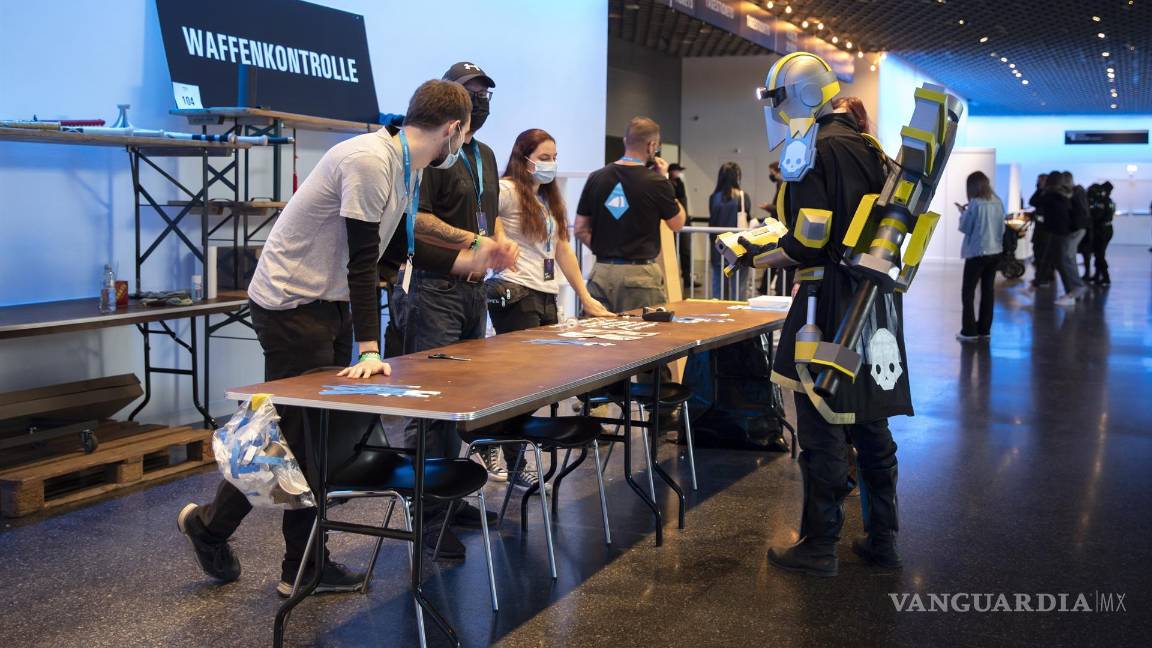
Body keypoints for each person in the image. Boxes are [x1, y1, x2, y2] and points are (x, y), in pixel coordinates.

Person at [176, 80, 518, 596]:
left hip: (328, 301)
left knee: (311, 435)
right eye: (465, 131)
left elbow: (394, 250)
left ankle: (231, 535)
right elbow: (362, 263)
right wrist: (370, 348)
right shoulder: (369, 161)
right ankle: (287, 560)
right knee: (303, 436)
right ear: (454, 128)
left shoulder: (406, 165)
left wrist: (470, 259)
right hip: (291, 304)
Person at [737, 52, 929, 577]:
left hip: (825, 302)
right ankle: (883, 539)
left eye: (778, 99)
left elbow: (808, 241)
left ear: (797, 95)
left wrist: (756, 255)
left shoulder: (811, 148)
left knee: (821, 422)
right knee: (870, 420)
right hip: (874, 300)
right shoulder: (870, 147)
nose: (777, 110)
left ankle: (820, 545)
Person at [390, 61, 506, 560]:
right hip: (432, 287)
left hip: (473, 292)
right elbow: (416, 217)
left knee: (459, 402)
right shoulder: (435, 153)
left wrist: (496, 247)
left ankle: (447, 499)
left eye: (485, 92)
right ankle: (426, 516)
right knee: (431, 405)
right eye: (470, 91)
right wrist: (474, 243)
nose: (479, 100)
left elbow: (488, 217)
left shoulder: (485, 154)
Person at [483, 128, 614, 487]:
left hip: (543, 294)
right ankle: (503, 452)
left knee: (531, 383)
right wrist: (499, 241)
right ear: (523, 157)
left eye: (554, 157)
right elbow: (483, 214)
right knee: (516, 382)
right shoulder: (507, 189)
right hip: (514, 291)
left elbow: (562, 249)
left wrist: (585, 297)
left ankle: (499, 443)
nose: (550, 164)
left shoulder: (546, 199)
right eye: (543, 157)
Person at [575, 116, 686, 313]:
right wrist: (666, 180)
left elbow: (580, 229)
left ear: (625, 141)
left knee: (597, 331)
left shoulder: (596, 178)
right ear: (651, 146)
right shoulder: (657, 183)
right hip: (640, 276)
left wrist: (606, 249)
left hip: (601, 272)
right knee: (644, 331)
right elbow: (677, 223)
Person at [955, 171, 1006, 342]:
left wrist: (962, 213)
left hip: (977, 253)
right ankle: (984, 329)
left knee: (968, 292)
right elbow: (1002, 228)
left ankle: (969, 331)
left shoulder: (975, 204)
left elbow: (965, 228)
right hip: (995, 252)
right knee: (988, 291)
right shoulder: (998, 201)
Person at [1033, 171, 1085, 306]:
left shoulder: (1054, 195)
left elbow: (1035, 202)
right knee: (1062, 261)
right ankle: (1072, 292)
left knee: (1065, 261)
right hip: (1065, 231)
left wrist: (1041, 189)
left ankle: (1075, 290)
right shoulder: (1063, 194)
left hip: (1063, 232)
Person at [708, 162, 753, 300]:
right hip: (738, 249)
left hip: (718, 249)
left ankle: (718, 312)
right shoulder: (743, 197)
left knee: (718, 291)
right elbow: (748, 217)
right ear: (737, 177)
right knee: (739, 290)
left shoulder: (714, 198)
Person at [668, 163, 694, 290]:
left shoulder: (679, 183)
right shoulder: (668, 184)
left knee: (685, 252)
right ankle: (672, 279)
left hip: (683, 222)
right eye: (677, 171)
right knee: (672, 252)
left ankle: (687, 278)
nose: (679, 174)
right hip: (672, 223)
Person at [1086, 182, 1115, 285]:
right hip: (1106, 229)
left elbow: (1097, 215)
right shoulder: (1110, 201)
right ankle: (1097, 275)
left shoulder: (1102, 202)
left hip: (1102, 230)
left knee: (1099, 254)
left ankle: (1106, 277)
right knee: (1099, 253)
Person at [1028, 173, 1054, 287]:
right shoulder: (1041, 193)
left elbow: (1038, 203)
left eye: (1040, 181)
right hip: (1039, 228)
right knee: (1038, 252)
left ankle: (1044, 278)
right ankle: (1041, 277)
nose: (1038, 183)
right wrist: (1039, 190)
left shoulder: (1049, 194)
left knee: (1043, 254)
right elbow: (1032, 201)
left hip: (1046, 229)